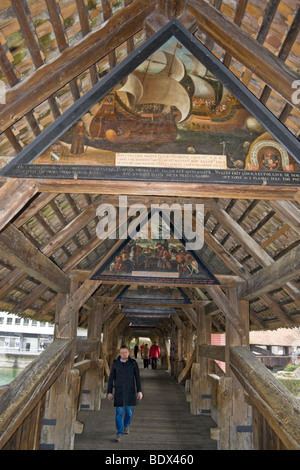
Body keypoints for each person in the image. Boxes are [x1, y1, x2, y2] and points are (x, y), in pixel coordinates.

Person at [107, 345, 143, 442]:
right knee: (119, 412)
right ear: (119, 353)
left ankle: (126, 425)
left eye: (125, 352)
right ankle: (119, 432)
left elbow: (138, 378)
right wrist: (109, 392)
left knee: (129, 413)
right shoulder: (115, 363)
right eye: (122, 352)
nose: (124, 354)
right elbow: (111, 379)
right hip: (118, 391)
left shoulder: (133, 363)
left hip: (130, 391)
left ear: (128, 353)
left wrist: (139, 391)